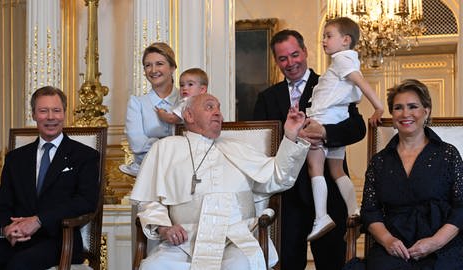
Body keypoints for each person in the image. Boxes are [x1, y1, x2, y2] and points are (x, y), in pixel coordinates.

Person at [131, 93, 311, 270]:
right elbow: (148, 200)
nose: (218, 112)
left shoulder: (238, 148)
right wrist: (164, 228)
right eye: (209, 107)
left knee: (241, 265)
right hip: (185, 241)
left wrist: (290, 136)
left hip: (235, 239)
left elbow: (280, 177)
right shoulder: (165, 148)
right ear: (189, 115)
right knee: (153, 266)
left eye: (219, 108)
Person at [253, 29, 366, 270]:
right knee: (288, 264)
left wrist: (325, 133)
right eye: (283, 58)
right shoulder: (266, 98)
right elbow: (261, 145)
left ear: (305, 52)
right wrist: (292, 138)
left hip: (327, 192)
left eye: (295, 55)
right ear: (276, 61)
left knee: (332, 263)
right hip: (287, 197)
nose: (290, 63)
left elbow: (357, 128)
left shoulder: (333, 80)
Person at [0, 86, 100, 270]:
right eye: (43, 111)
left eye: (56, 110)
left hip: (59, 239)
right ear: (34, 115)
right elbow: (3, 203)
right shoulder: (15, 158)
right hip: (16, 239)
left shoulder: (85, 156)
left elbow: (86, 202)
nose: (51, 117)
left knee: (19, 265)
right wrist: (6, 229)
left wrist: (39, 220)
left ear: (64, 113)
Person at [359, 79, 463, 270]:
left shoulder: (448, 154)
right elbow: (370, 211)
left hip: (442, 246)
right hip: (394, 248)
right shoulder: (379, 161)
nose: (405, 114)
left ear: (426, 111)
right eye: (398, 107)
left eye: (413, 106)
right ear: (392, 113)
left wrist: (435, 242)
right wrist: (388, 240)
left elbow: (460, 208)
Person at [305, 17, 384, 241]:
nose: (324, 41)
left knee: (315, 167)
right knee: (337, 170)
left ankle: (321, 216)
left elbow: (361, 82)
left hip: (322, 119)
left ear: (345, 40)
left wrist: (379, 106)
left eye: (329, 36)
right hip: (336, 120)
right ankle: (354, 209)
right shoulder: (346, 60)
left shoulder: (342, 60)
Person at [120, 42, 180, 176]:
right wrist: (175, 146)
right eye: (148, 65)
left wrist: (154, 143)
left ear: (172, 67)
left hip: (184, 172)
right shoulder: (136, 103)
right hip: (147, 174)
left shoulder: (187, 101)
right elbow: (137, 145)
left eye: (159, 64)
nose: (153, 70)